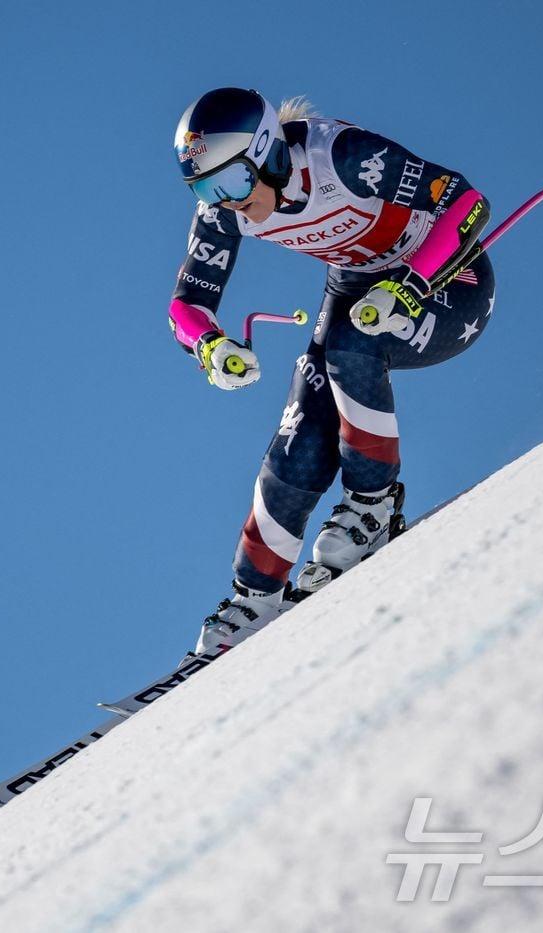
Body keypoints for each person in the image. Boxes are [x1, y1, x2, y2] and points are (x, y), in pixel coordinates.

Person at [170, 87, 495, 652]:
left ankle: (373, 506)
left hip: (447, 280)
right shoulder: (225, 212)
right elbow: (186, 304)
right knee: (298, 437)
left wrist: (412, 286)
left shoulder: (340, 157)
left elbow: (466, 204)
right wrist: (210, 347)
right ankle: (255, 596)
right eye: (204, 188)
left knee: (351, 343)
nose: (225, 202)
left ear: (269, 153)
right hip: (357, 289)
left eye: (231, 183)